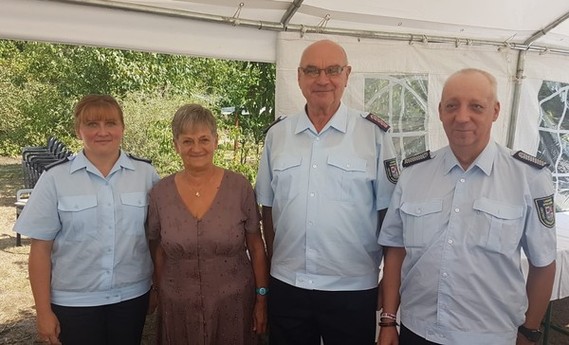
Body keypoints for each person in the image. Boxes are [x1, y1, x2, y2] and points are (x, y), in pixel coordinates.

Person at [378, 68, 557, 345]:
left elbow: (543, 263)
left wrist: (529, 331)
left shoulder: (528, 178)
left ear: (495, 111)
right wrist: (388, 320)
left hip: (490, 336)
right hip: (418, 331)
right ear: (440, 111)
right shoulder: (414, 174)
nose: (462, 117)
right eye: (452, 106)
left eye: (476, 106)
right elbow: (396, 248)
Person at [255, 39, 399, 345]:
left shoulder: (373, 135)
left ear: (347, 74)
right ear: (299, 77)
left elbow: (389, 215)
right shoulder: (277, 135)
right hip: (288, 285)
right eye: (312, 71)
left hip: (352, 289)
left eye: (332, 70)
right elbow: (267, 207)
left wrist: (388, 290)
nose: (322, 79)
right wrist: (271, 266)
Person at [13, 94, 160, 345]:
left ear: (122, 128)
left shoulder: (145, 174)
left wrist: (155, 286)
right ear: (78, 130)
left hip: (131, 297)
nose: (102, 131)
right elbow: (40, 249)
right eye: (92, 124)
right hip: (74, 303)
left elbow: (154, 238)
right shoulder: (56, 178)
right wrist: (43, 311)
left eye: (110, 123)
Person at [146, 103, 269, 345]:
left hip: (233, 307)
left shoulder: (239, 187)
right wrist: (159, 292)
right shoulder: (160, 194)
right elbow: (157, 249)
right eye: (187, 141)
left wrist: (262, 299)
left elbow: (256, 247)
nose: (196, 148)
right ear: (176, 145)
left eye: (204, 139)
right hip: (178, 308)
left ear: (216, 140)